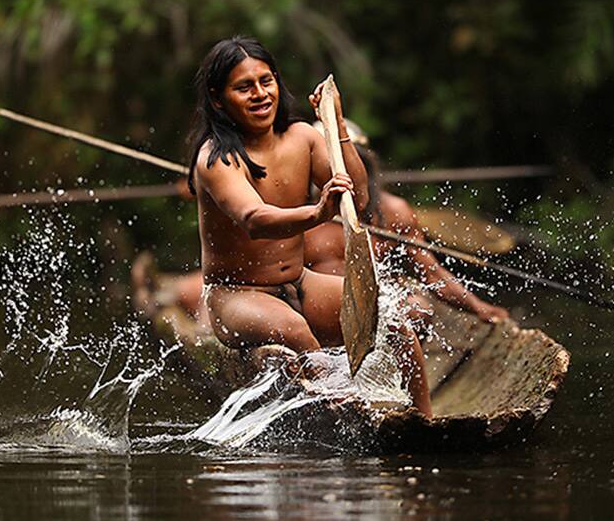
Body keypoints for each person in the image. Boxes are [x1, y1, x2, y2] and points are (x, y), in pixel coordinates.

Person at [185, 36, 432, 417]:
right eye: (244, 87)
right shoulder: (216, 158)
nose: (259, 94)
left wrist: (337, 127)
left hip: (300, 281)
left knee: (391, 317)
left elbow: (360, 199)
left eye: (265, 81)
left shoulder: (303, 136)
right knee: (296, 332)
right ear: (219, 100)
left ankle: (425, 419)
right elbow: (255, 220)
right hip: (236, 296)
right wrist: (318, 213)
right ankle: (353, 417)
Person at [303, 122, 509, 324]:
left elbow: (431, 273)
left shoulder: (392, 212)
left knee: (417, 309)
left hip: (379, 312)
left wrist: (478, 307)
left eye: (348, 163)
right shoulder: (296, 216)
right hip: (320, 316)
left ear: (362, 164)